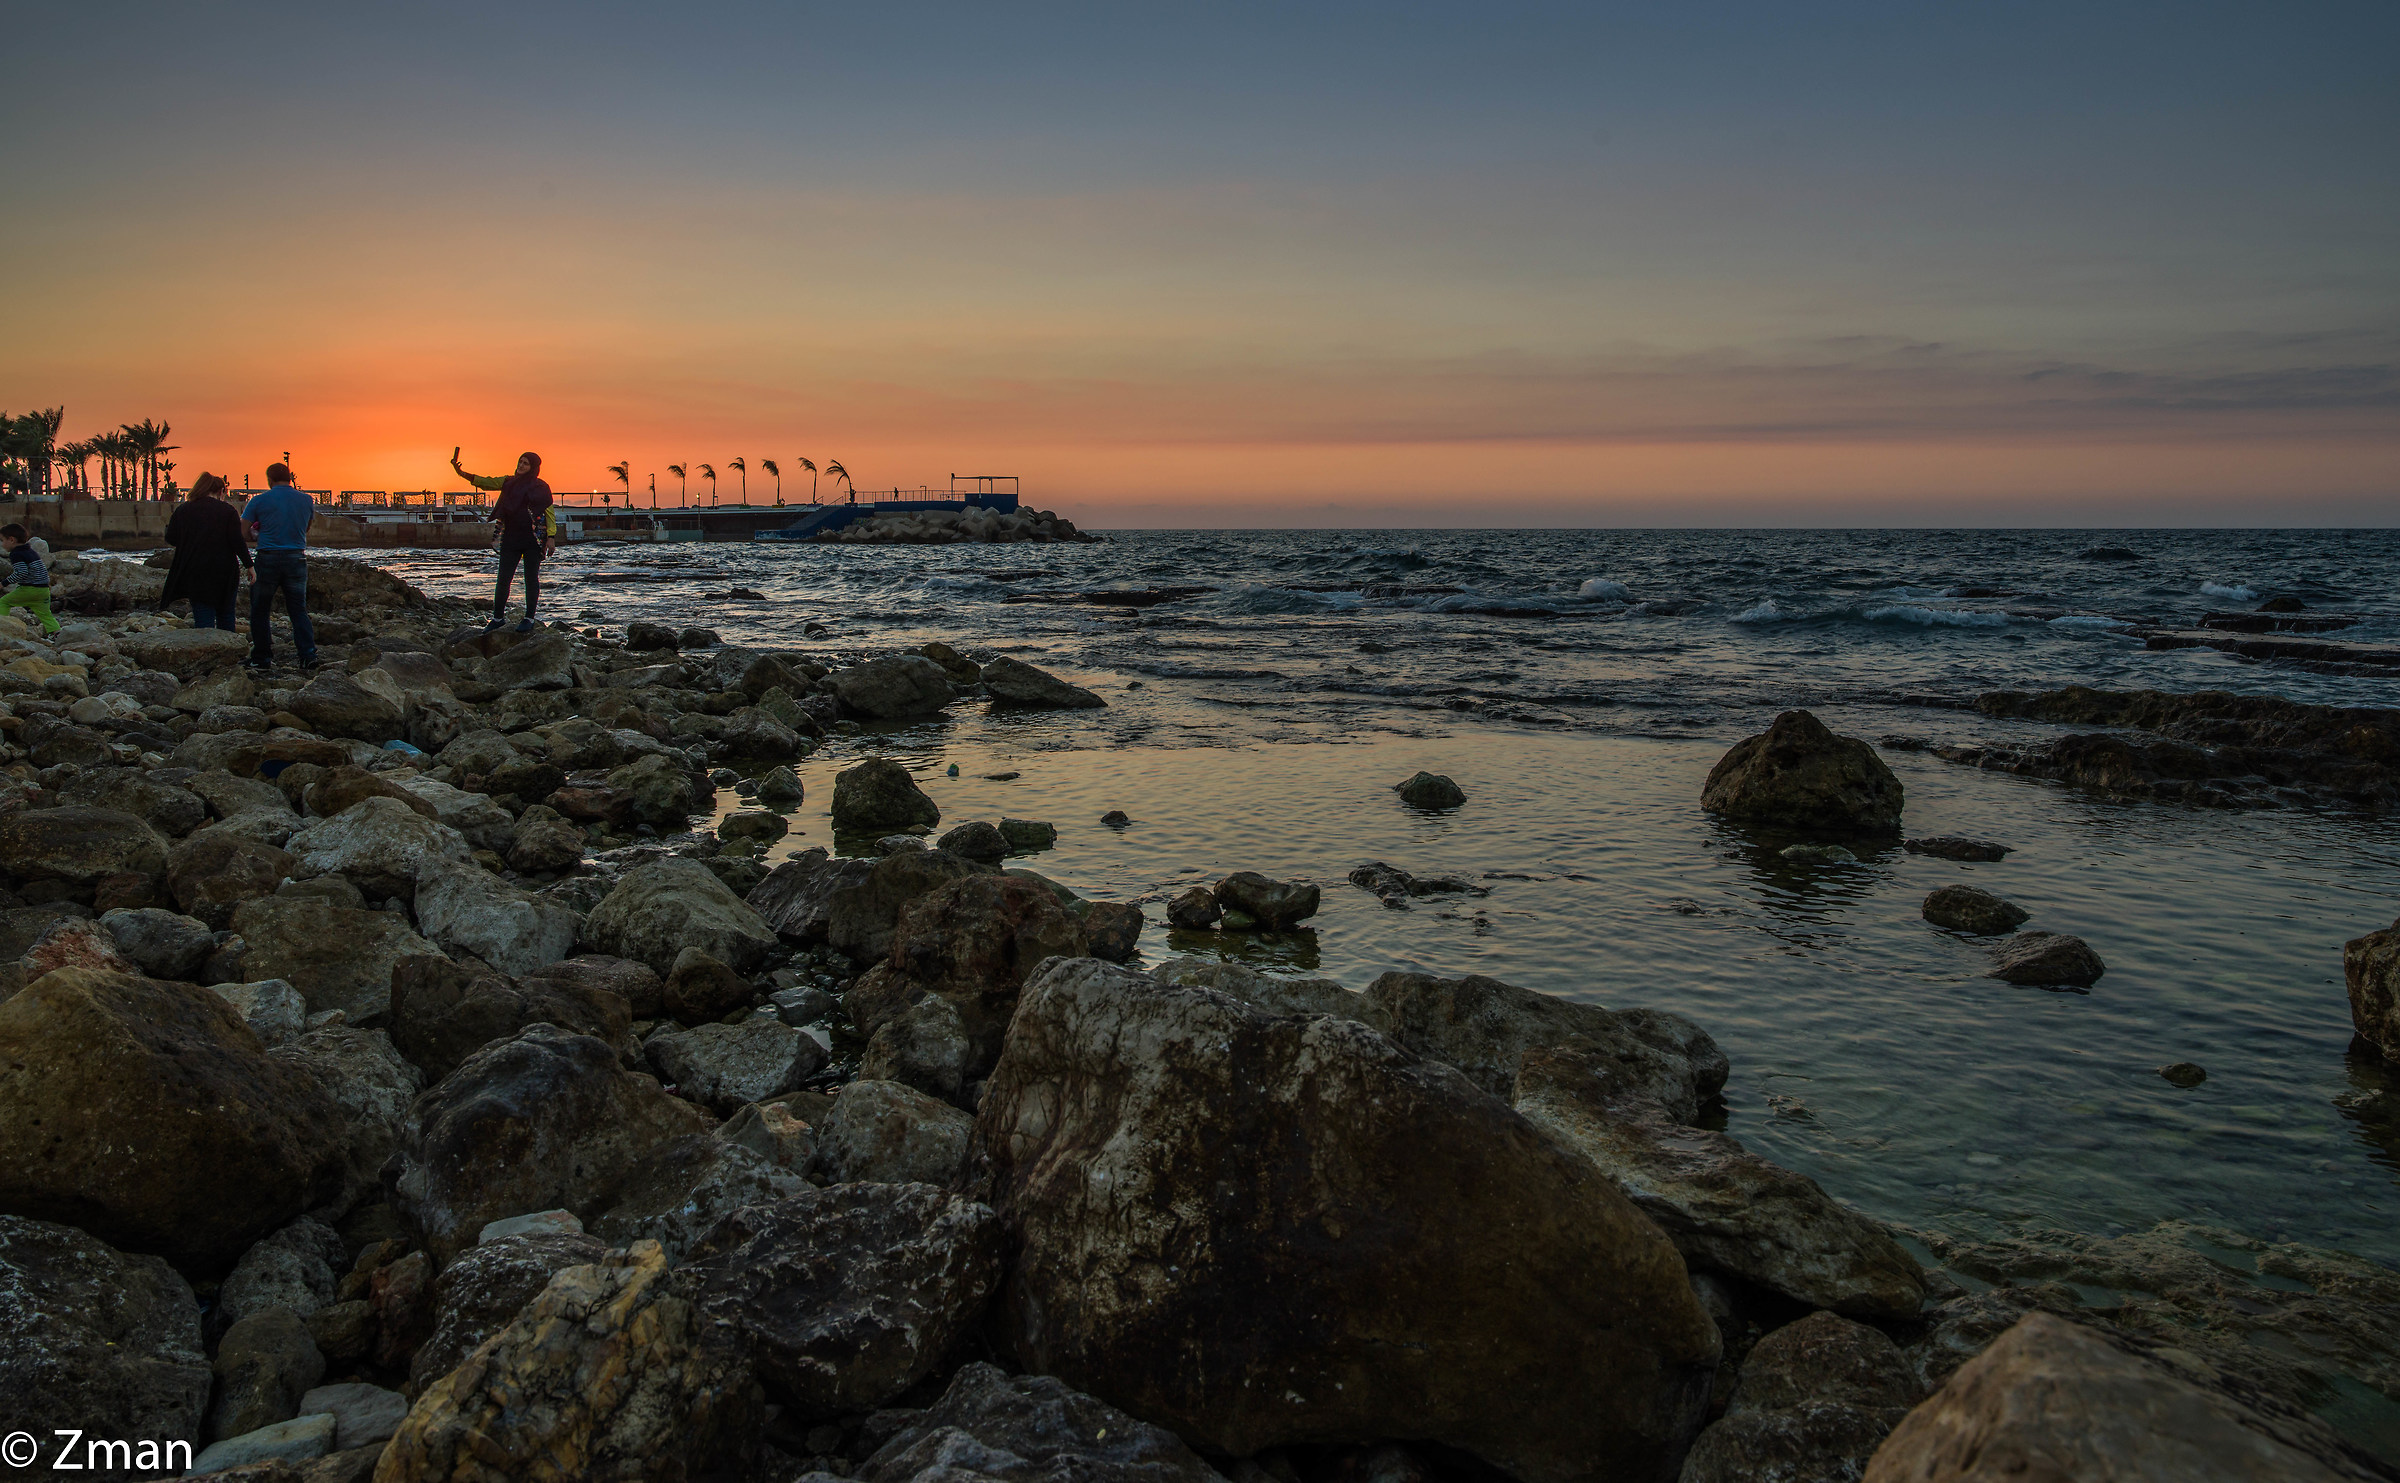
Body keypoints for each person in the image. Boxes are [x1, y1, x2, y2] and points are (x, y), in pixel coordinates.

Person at [452, 447, 556, 631]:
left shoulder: (541, 487)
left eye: (526, 463)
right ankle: (497, 618)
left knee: (531, 579)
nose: (521, 465)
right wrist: (461, 473)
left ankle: (529, 619)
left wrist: (552, 537)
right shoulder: (508, 482)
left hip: (534, 539)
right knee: (503, 579)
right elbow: (486, 482)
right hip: (510, 537)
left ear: (533, 467)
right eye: (520, 461)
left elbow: (549, 512)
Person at [241, 462, 316, 671]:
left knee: (260, 609)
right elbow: (307, 527)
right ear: (290, 478)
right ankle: (308, 655)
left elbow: (243, 531)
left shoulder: (258, 501)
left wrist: (257, 536)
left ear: (269, 479)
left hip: (268, 558)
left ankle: (262, 657)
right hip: (296, 558)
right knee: (298, 610)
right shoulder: (306, 500)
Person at [160, 472, 252, 630]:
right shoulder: (227, 511)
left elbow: (171, 538)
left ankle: (206, 649)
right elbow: (237, 541)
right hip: (224, 570)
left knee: (202, 616)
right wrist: (250, 566)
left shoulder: (183, 510)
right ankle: (229, 650)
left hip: (195, 569)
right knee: (226, 613)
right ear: (221, 491)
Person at [0, 525, 59, 636]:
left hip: (29, 589)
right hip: (43, 590)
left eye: (2, 540)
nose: (2, 544)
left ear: (11, 540)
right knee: (46, 615)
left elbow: (21, 572)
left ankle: (3, 628)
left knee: (3, 602)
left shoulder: (16, 554)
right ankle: (57, 634)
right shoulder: (30, 551)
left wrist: (4, 583)